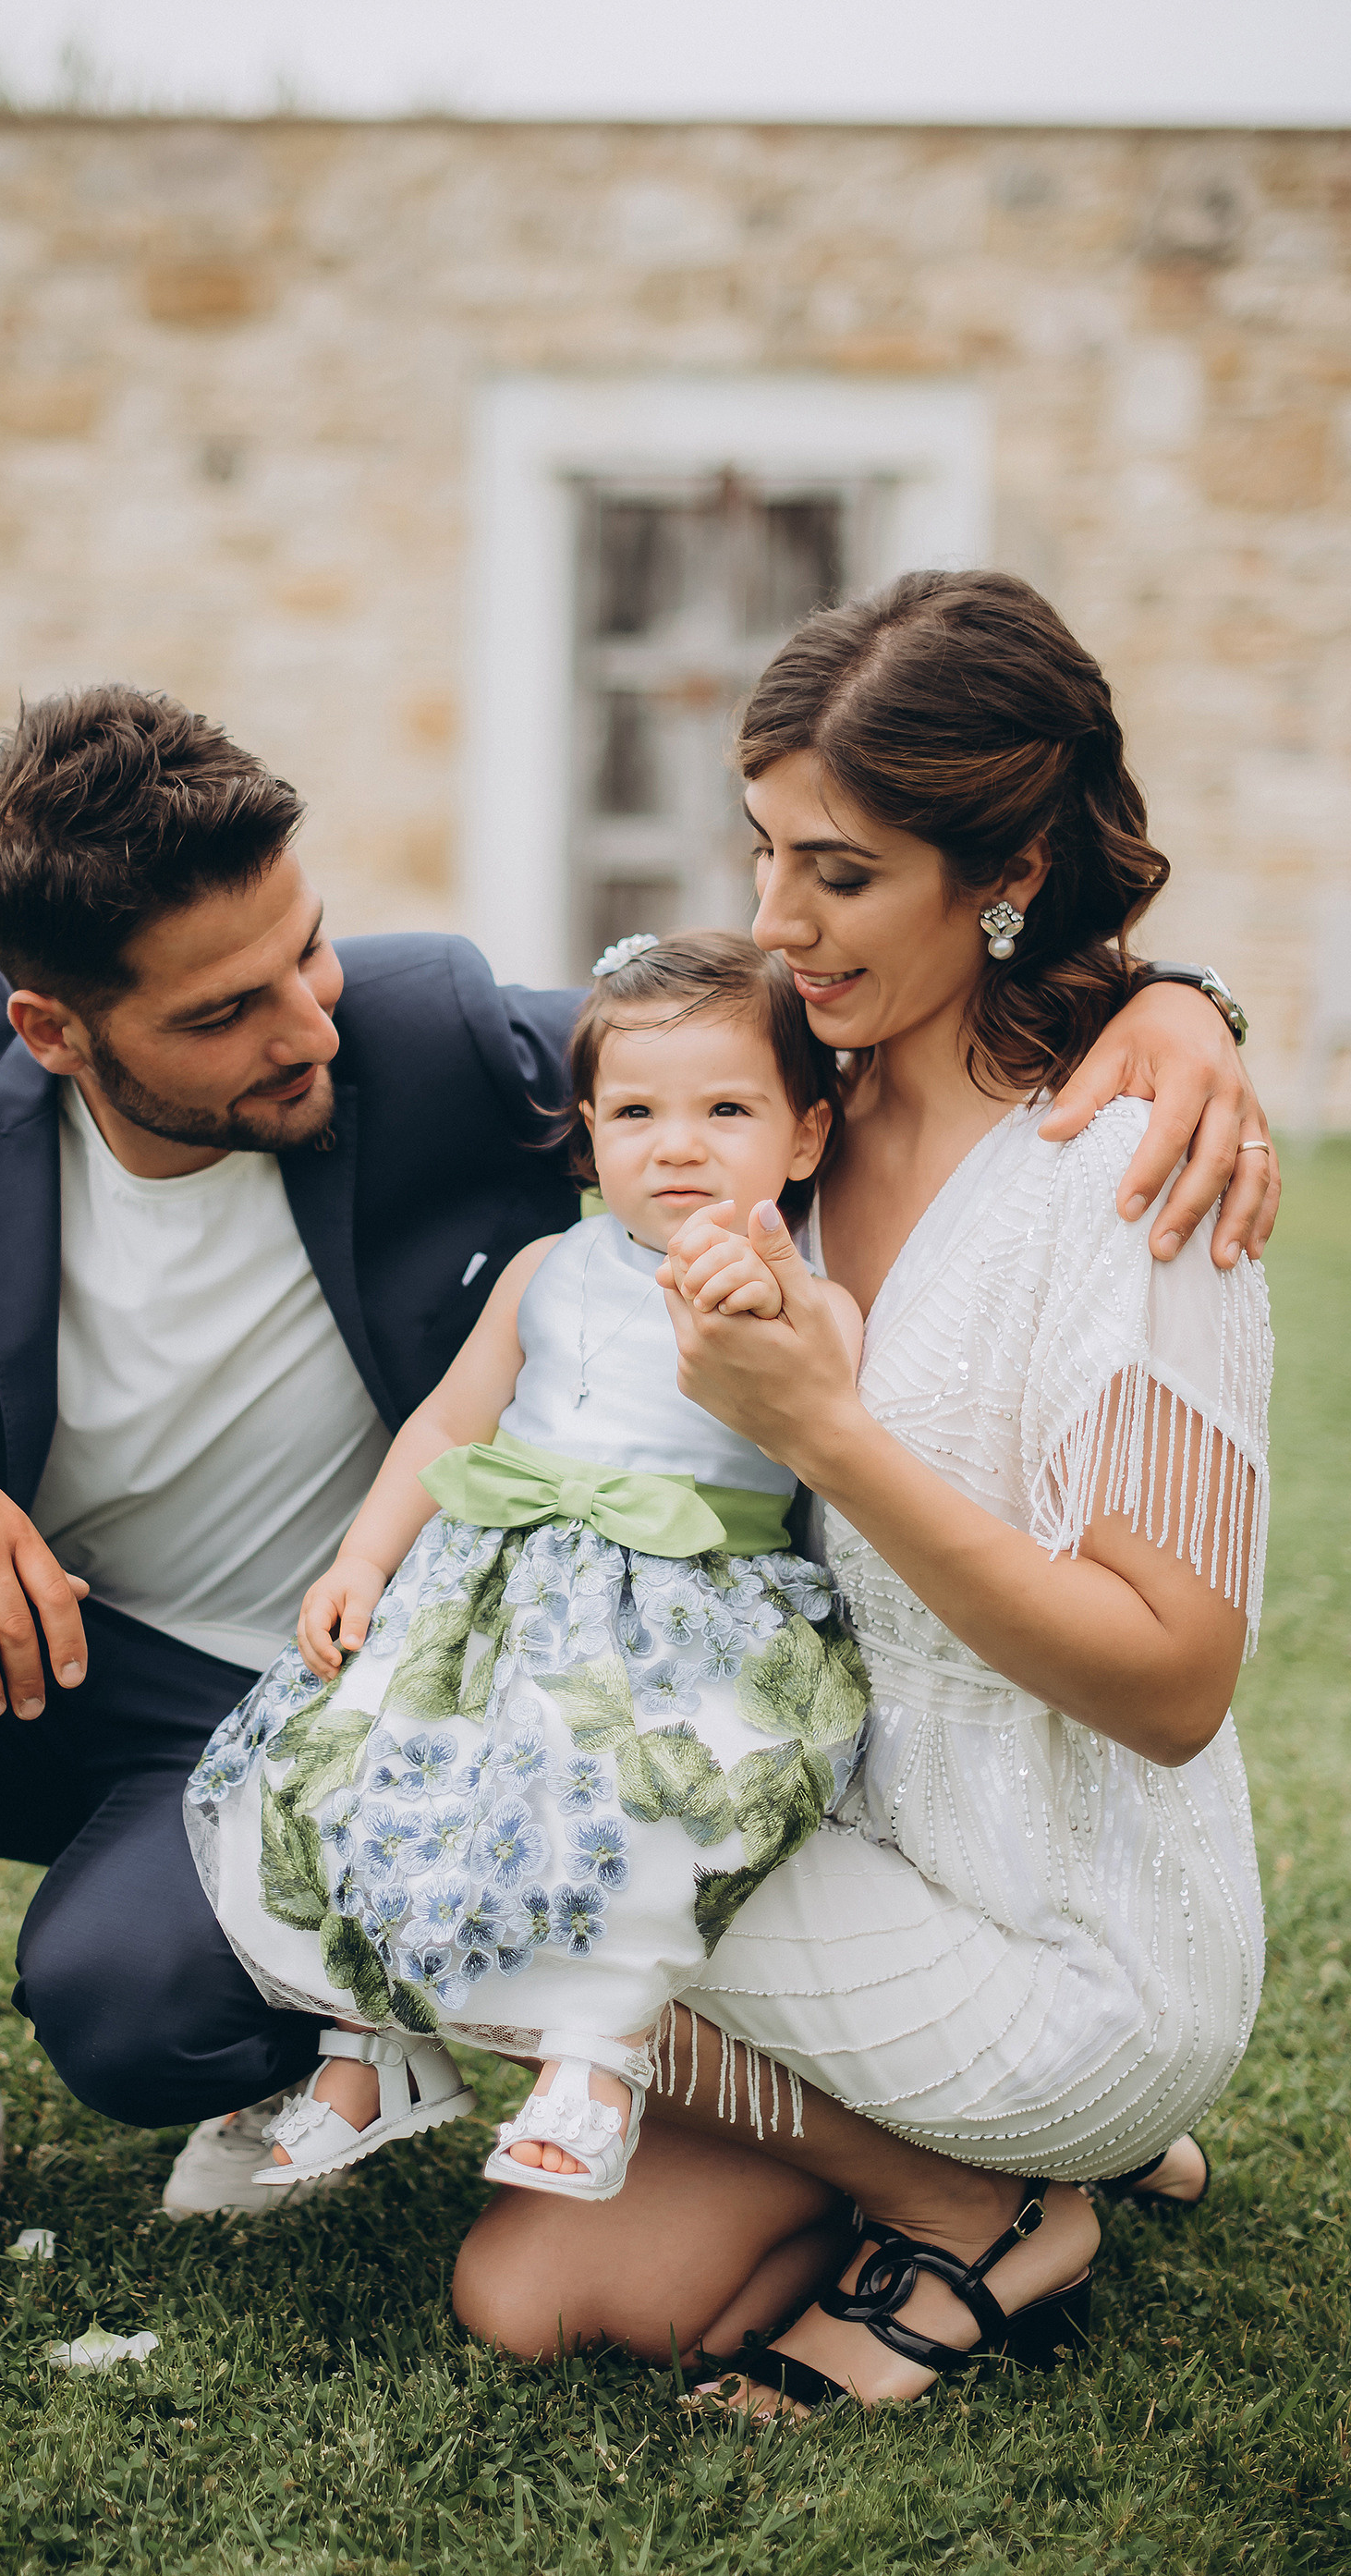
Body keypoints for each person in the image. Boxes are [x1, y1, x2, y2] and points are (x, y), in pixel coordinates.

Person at [0, 677, 1272, 2330]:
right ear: (49, 1027)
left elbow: (760, 1023)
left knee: (128, 2018)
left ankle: (364, 2029)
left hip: (396, 1688)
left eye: (305, 952)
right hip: (58, 1664)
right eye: (222, 1013)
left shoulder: (418, 1027)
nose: (306, 1027)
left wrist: (1166, 999)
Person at [451, 568, 1274, 2412]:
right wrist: (1184, 989)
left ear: (1009, 873)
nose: (774, 923)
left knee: (476, 1851)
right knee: (535, 2293)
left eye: (838, 873)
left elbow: (1172, 1686)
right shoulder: (775, 1088)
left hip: (1071, 1959)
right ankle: (925, 2154)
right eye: (762, 854)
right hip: (831, 1843)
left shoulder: (1132, 1178)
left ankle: (987, 2199)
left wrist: (830, 1434)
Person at [188, 930, 868, 2203]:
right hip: (491, 1596)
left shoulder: (806, 1294)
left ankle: (593, 2063)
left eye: (727, 1111)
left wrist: (768, 1302)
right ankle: (371, 2046)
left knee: (625, 1807)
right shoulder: (548, 1268)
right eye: (637, 1113)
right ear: (591, 1137)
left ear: (806, 1137)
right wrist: (364, 1560)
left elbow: (831, 1406)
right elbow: (449, 1423)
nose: (678, 1145)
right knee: (372, 1767)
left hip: (681, 1612)